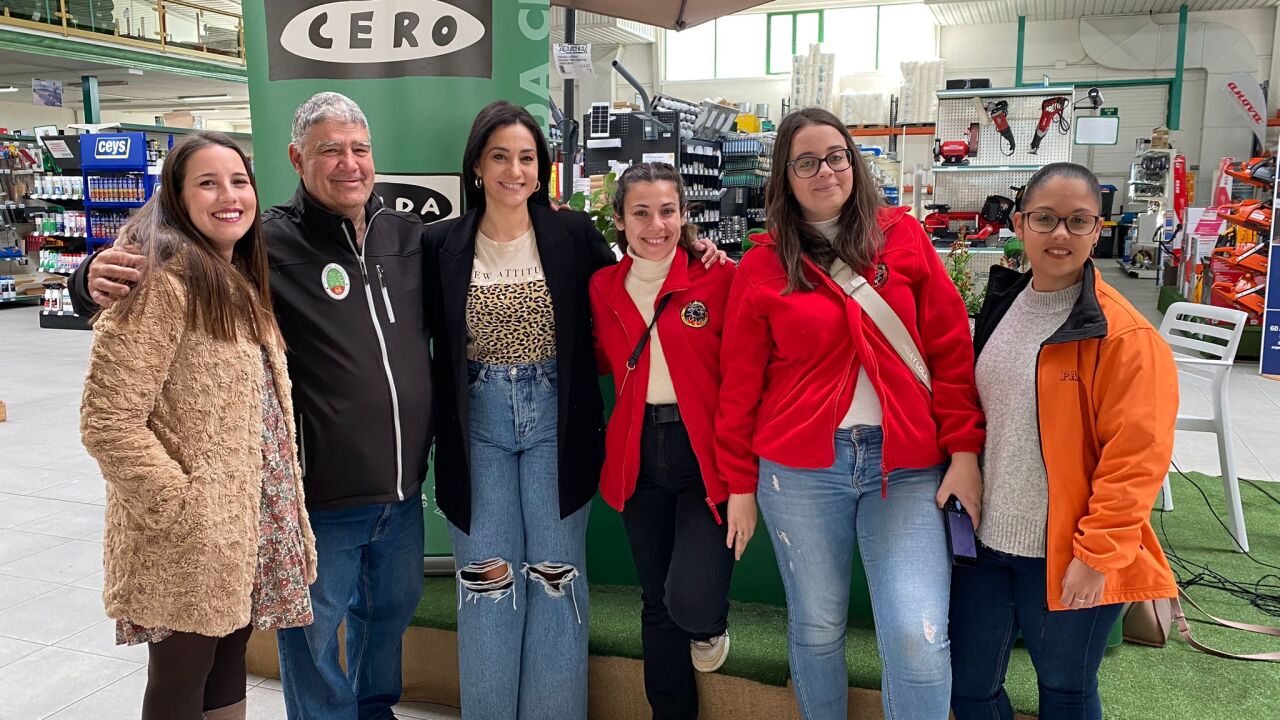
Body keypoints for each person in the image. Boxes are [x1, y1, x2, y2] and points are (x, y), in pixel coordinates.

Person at [71, 92, 435, 720]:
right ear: (296, 158)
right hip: (290, 499)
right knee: (275, 649)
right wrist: (85, 279)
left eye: (359, 148)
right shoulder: (260, 241)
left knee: (350, 629)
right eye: (330, 149)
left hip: (355, 499)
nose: (349, 162)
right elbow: (150, 272)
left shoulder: (395, 238)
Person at [426, 102, 725, 719]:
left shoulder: (572, 236)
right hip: (477, 427)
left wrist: (702, 253)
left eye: (527, 157)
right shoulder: (441, 244)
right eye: (500, 156)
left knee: (555, 579)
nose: (515, 170)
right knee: (487, 581)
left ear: (543, 167)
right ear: (477, 165)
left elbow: (635, 287)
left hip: (556, 425)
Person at [715, 107, 985, 720]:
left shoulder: (903, 237)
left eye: (836, 156)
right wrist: (739, 485)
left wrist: (964, 452)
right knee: (817, 626)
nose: (825, 172)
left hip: (907, 465)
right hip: (800, 472)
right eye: (806, 162)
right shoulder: (762, 265)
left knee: (917, 636)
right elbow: (739, 387)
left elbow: (949, 350)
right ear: (784, 178)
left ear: (854, 162)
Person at [79, 131, 317, 720]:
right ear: (177, 198)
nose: (229, 196)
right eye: (207, 184)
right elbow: (108, 420)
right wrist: (180, 507)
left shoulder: (234, 275)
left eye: (238, 181)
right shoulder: (159, 279)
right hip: (190, 530)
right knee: (181, 676)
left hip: (242, 520)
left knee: (228, 657)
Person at [950, 163, 1178, 720]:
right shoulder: (1004, 304)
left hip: (1068, 551)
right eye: (1045, 218)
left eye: (1078, 221)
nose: (1060, 234)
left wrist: (1096, 557)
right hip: (984, 543)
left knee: (1064, 691)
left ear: (1098, 230)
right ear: (1020, 224)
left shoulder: (1124, 336)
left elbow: (1136, 460)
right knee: (970, 689)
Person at [588, 163, 751, 719]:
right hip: (638, 453)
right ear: (619, 219)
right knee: (655, 602)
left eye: (667, 211)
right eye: (641, 213)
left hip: (704, 452)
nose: (655, 225)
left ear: (684, 215)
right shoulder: (603, 287)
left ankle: (709, 625)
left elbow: (742, 372)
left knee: (690, 601)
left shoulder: (718, 277)